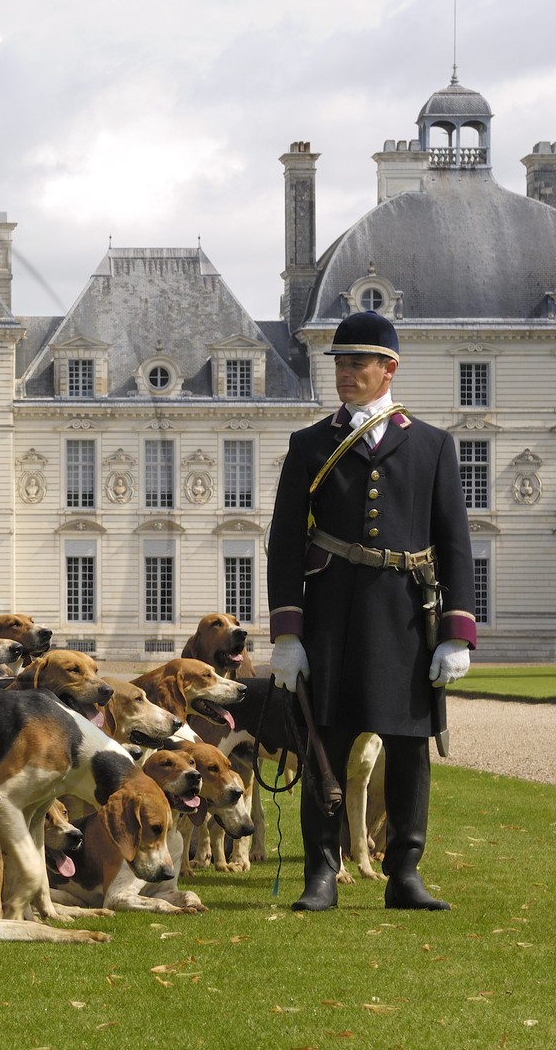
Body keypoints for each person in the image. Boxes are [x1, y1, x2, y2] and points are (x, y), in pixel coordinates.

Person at [267, 311, 476, 912]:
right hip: (332, 615)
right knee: (324, 744)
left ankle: (404, 874)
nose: (345, 373)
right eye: (339, 362)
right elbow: (284, 541)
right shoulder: (309, 444)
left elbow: (454, 540)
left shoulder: (432, 444)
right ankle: (322, 873)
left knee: (409, 747)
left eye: (358, 362)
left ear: (390, 368)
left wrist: (457, 633)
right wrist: (288, 632)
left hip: (407, 617)